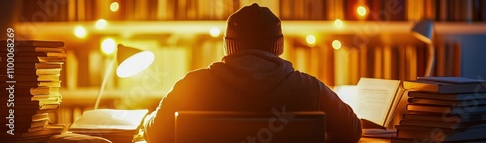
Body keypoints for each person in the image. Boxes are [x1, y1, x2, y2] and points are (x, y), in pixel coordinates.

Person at [145, 3, 362, 143]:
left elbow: (155, 134)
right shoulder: (309, 88)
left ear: (229, 46)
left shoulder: (192, 85)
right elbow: (352, 130)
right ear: (278, 46)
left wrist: (149, 118)